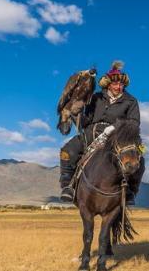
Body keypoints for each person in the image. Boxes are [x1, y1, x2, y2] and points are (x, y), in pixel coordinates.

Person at [59, 61, 143, 204]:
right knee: (67, 151)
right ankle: (68, 187)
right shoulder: (96, 97)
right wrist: (76, 113)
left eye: (121, 84)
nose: (118, 87)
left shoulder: (131, 101)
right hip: (90, 133)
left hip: (117, 137)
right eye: (115, 84)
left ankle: (130, 192)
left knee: (140, 160)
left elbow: (134, 122)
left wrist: (115, 127)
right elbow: (86, 121)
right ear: (108, 84)